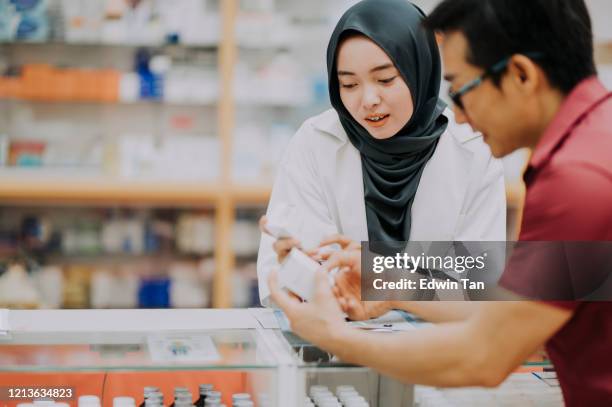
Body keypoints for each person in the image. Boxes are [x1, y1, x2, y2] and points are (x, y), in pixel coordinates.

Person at [268, 0, 612, 406]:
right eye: (349, 84)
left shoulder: (577, 182)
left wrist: (335, 336)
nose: (460, 118)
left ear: (521, 74)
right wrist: (386, 278)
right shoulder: (595, 143)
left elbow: (485, 350)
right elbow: (519, 312)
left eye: (463, 90)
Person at [257, 0, 505, 307]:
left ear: (420, 69)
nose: (368, 100)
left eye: (385, 79)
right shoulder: (315, 143)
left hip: (439, 345)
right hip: (337, 340)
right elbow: (282, 277)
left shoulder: (472, 150)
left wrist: (382, 282)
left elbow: (482, 287)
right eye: (349, 84)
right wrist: (296, 271)